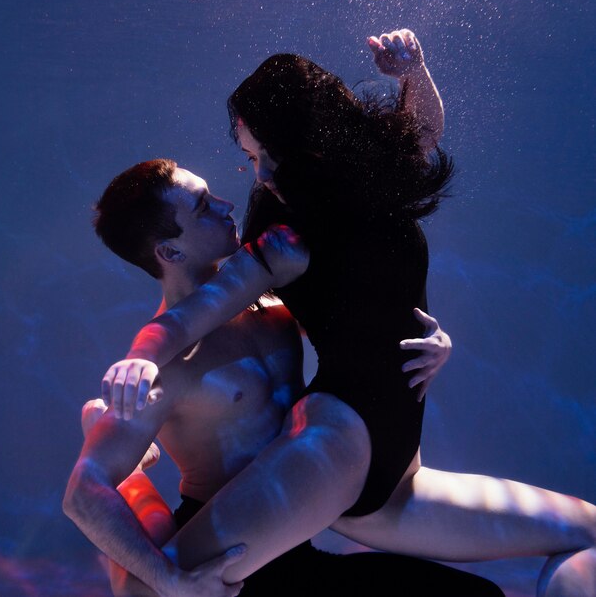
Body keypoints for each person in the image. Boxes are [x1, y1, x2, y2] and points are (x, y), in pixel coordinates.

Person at [98, 31, 596, 596]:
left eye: (265, 155)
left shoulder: (378, 182)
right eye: (250, 159)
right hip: (335, 445)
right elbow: (190, 317)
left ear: (308, 140)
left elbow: (425, 129)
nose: (258, 177)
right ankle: (135, 488)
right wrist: (139, 360)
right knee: (152, 589)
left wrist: (416, 72)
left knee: (588, 534)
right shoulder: (279, 233)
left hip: (399, 467)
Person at [64, 159, 504, 597]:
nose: (226, 204)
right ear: (171, 252)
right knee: (139, 592)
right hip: (222, 555)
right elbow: (83, 493)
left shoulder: (275, 301)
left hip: (294, 546)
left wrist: (435, 344)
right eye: (202, 207)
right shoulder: (168, 366)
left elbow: (367, 344)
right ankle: (130, 471)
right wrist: (171, 580)